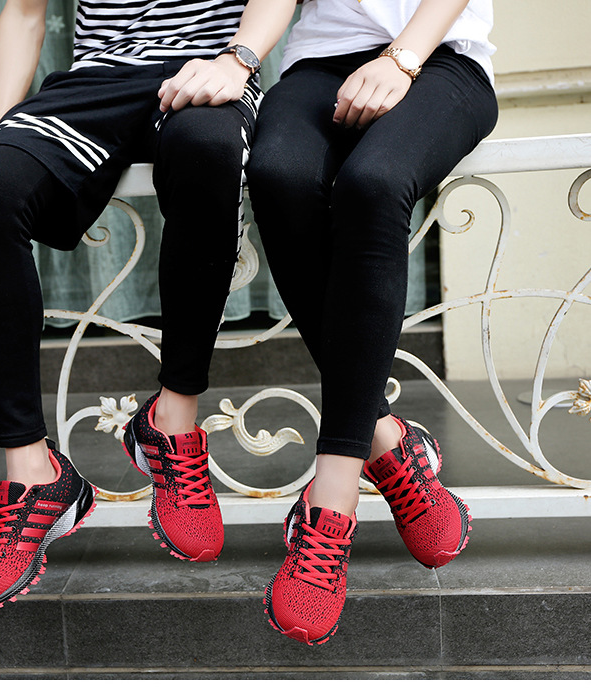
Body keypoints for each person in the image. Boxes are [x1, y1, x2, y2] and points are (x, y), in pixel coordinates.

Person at [0, 0, 296, 612]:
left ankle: (172, 425)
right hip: (98, 80)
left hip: (209, 68)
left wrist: (239, 59)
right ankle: (33, 476)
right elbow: (24, 13)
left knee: (208, 149)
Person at [246, 0, 498, 645]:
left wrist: (401, 58)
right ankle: (385, 441)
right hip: (318, 62)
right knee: (277, 172)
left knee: (375, 181)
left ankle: (332, 497)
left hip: (443, 59)